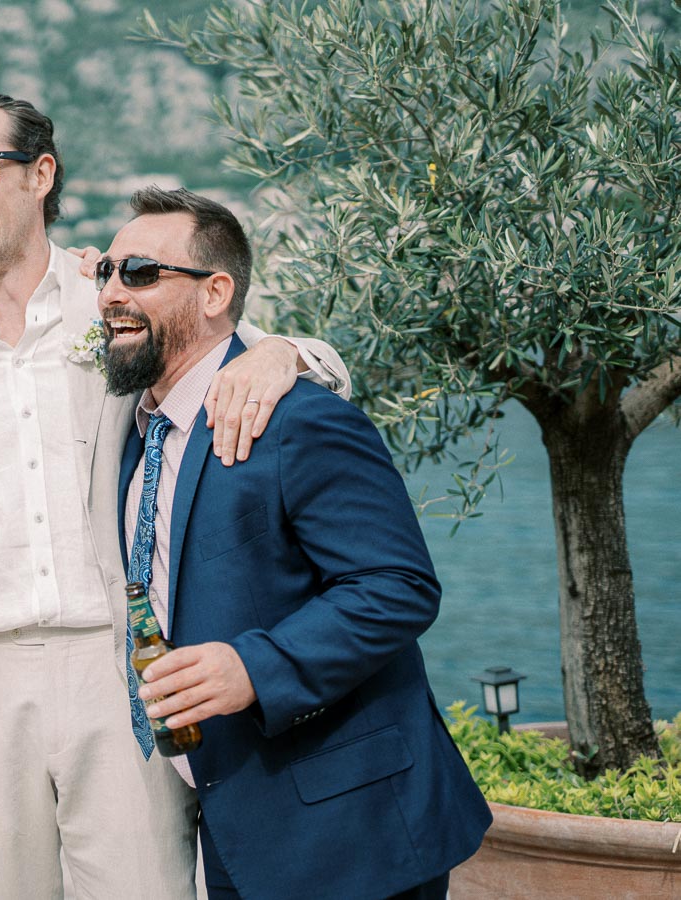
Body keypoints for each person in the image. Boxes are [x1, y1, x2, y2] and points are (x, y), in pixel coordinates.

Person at [0, 92, 351, 898]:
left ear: (41, 174)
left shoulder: (119, 298)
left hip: (121, 664)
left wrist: (283, 352)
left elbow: (321, 369)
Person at [102, 186, 492, 899]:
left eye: (139, 273)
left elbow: (397, 587)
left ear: (215, 291)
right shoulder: (134, 432)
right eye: (106, 272)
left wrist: (253, 666)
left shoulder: (297, 418)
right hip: (234, 821)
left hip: (351, 827)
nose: (110, 293)